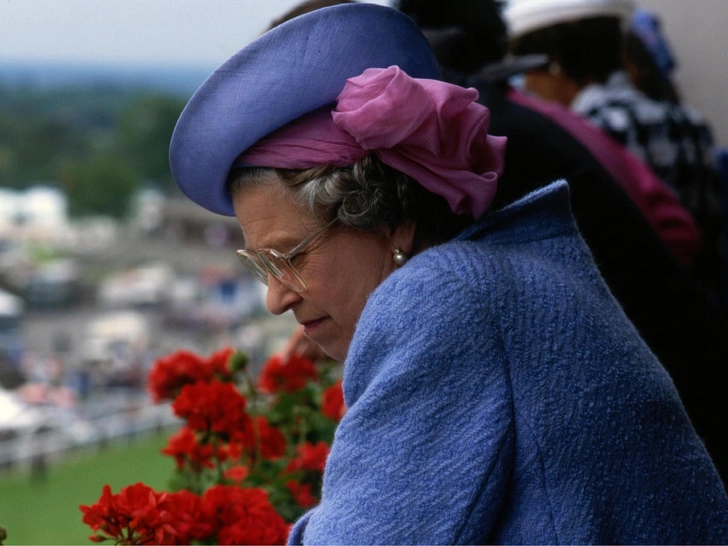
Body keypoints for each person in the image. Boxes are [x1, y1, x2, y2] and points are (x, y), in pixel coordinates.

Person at [169, 3, 728, 543]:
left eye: (289, 256)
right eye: (261, 264)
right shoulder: (497, 273)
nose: (274, 298)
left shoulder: (445, 299)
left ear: (386, 218)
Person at [504, 0, 725, 305]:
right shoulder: (691, 122)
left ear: (554, 63)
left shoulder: (586, 133)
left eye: (526, 70)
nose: (525, 83)